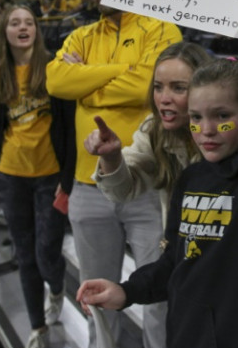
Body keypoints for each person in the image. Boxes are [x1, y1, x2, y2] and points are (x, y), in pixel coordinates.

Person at [76, 16, 238, 348]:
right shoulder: (191, 178)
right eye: (196, 118)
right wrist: (127, 292)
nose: (207, 129)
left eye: (222, 117)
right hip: (186, 340)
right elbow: (175, 263)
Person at [46, 0, 183, 348]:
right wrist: (121, 73)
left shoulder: (162, 29)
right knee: (96, 294)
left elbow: (148, 84)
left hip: (149, 183)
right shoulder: (80, 36)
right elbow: (57, 79)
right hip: (89, 186)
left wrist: (86, 80)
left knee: (158, 293)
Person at [0, 3, 76, 348]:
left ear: (37, 30)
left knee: (46, 253)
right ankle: (37, 327)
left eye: (29, 22)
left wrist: (67, 180)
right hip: (11, 177)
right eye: (15, 22)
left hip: (49, 177)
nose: (23, 27)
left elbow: (69, 130)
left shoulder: (55, 68)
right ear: (5, 32)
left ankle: (56, 288)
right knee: (24, 257)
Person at [87, 42, 212, 222]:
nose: (164, 99)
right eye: (158, 87)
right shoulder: (153, 129)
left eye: (178, 88)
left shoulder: (230, 130)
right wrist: (112, 158)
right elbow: (122, 191)